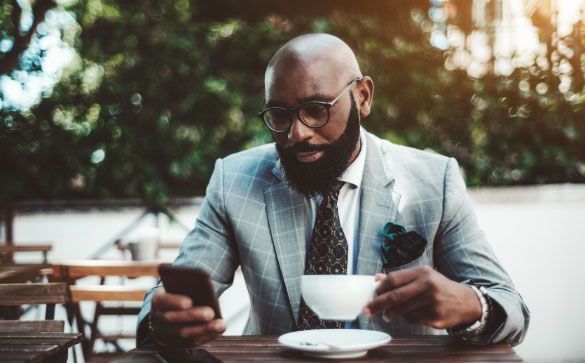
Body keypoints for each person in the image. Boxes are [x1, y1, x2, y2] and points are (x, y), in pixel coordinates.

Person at [137, 33, 529, 348]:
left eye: (316, 108)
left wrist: (471, 307)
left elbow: (512, 309)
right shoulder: (234, 181)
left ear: (363, 97)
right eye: (279, 115)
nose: (297, 133)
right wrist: (162, 320)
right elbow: (169, 296)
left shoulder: (433, 180)